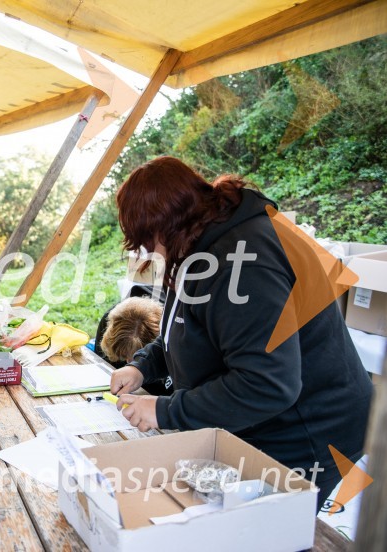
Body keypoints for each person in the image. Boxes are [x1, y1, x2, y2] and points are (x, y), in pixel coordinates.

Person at [110, 156, 372, 509]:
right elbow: (186, 329)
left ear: (165, 224)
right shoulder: (195, 249)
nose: (148, 254)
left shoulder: (246, 259)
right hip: (260, 422)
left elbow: (267, 383)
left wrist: (165, 410)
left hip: (309, 429)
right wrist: (142, 365)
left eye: (146, 241)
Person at [94, 286, 172, 396]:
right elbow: (104, 370)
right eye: (124, 355)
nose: (128, 361)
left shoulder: (173, 335)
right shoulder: (108, 323)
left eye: (136, 356)